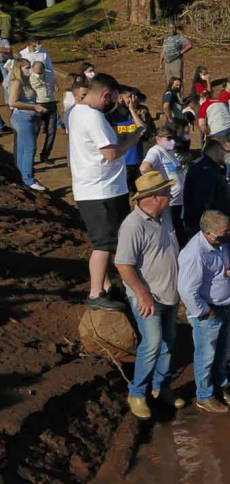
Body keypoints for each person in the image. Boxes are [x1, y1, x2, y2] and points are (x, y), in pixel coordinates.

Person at [69, 73, 143, 310]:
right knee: (103, 244)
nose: (111, 105)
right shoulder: (92, 117)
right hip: (101, 190)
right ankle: (95, 293)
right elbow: (110, 153)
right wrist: (132, 139)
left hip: (100, 187)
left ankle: (107, 286)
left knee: (110, 242)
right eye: (111, 99)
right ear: (105, 95)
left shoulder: (78, 112)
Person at [114, 171, 182, 419]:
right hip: (148, 298)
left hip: (169, 295)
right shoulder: (133, 225)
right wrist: (142, 294)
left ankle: (160, 387)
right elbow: (123, 264)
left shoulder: (165, 217)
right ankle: (137, 392)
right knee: (152, 343)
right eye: (166, 192)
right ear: (153, 197)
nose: (170, 194)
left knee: (168, 343)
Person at [178, 210, 230, 413]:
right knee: (206, 356)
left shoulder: (218, 243)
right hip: (208, 311)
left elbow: (225, 261)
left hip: (222, 306)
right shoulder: (194, 253)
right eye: (223, 232)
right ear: (208, 233)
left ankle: (220, 388)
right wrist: (204, 312)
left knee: (222, 353)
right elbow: (186, 289)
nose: (227, 235)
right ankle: (204, 395)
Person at [140, 125, 187, 246]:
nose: (172, 141)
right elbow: (144, 168)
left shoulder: (170, 152)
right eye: (168, 138)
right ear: (157, 138)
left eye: (173, 137)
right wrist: (161, 185)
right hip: (169, 202)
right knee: (171, 233)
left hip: (178, 201)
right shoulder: (155, 152)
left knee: (178, 229)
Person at [7, 58, 48, 191]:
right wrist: (34, 108)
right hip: (22, 118)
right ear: (19, 69)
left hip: (27, 117)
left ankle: (21, 174)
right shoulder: (17, 83)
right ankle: (28, 179)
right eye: (27, 68)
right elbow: (12, 102)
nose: (30, 70)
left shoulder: (24, 82)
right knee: (30, 148)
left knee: (22, 148)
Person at [183, 138, 230, 236]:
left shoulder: (209, 168)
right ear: (216, 151)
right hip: (207, 228)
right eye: (226, 151)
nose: (228, 155)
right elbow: (207, 202)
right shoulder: (206, 171)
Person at [105, 89, 148, 193]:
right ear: (120, 98)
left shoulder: (137, 114)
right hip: (121, 162)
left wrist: (132, 111)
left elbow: (143, 130)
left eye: (134, 97)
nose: (133, 100)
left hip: (137, 161)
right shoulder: (111, 117)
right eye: (129, 97)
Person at [29, 61, 58, 164]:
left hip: (51, 104)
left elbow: (54, 82)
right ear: (32, 69)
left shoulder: (49, 74)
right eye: (37, 72)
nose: (39, 74)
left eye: (41, 72)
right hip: (38, 105)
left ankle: (45, 155)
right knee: (34, 132)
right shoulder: (28, 77)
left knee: (52, 131)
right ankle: (30, 156)